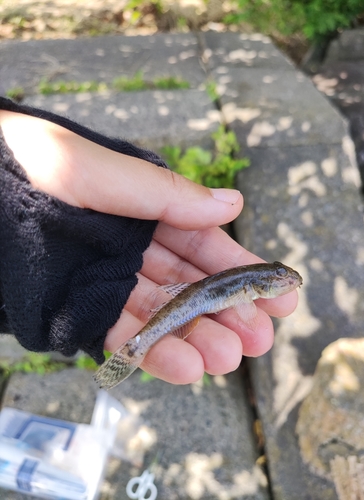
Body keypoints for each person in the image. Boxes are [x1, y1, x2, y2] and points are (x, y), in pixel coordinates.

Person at [0, 97, 298, 384]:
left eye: (281, 277)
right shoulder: (247, 286)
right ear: (257, 284)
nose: (285, 280)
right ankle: (132, 351)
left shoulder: (248, 286)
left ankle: (131, 352)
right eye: (280, 277)